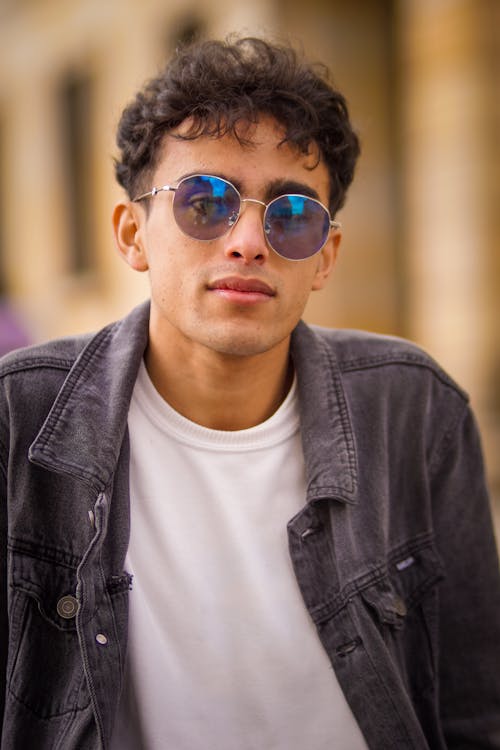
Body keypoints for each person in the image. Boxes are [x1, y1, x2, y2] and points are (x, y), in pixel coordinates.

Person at [0, 35, 499, 750]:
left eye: (293, 214)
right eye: (205, 202)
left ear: (325, 256)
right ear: (132, 234)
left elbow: (473, 715)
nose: (248, 240)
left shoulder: (415, 411)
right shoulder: (19, 419)